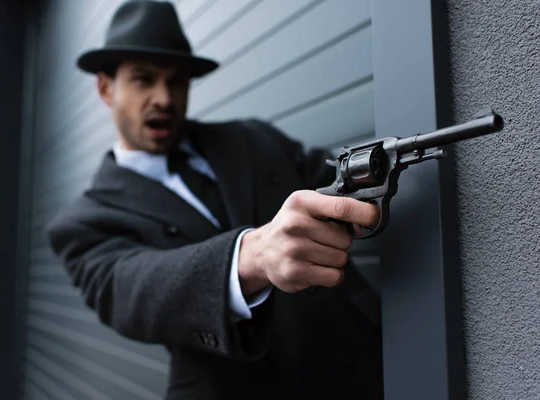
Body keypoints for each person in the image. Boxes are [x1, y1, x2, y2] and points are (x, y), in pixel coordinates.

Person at [46, 1, 384, 399]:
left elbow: (342, 184)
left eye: (177, 82)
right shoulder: (82, 224)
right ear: (106, 88)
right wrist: (254, 256)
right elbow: (138, 292)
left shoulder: (252, 139)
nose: (164, 98)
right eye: (143, 80)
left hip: (363, 368)